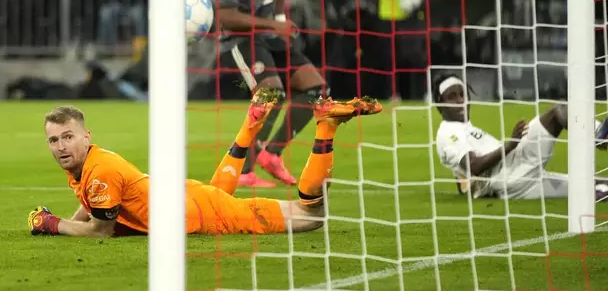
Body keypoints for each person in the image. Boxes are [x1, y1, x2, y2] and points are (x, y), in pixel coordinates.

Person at [27, 89, 382, 237]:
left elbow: (98, 230)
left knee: (312, 217)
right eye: (54, 140)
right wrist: (66, 217)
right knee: (216, 194)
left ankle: (326, 126)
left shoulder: (99, 170)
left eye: (68, 136)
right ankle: (252, 122)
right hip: (188, 195)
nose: (60, 146)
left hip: (201, 213)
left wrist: (50, 223)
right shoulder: (93, 164)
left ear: (86, 136)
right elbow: (88, 202)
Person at [216, 0, 328, 188]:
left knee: (316, 90)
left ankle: (272, 154)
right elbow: (227, 16)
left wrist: (278, 16)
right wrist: (274, 24)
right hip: (240, 40)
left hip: (269, 32)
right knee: (271, 94)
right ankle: (242, 171)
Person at [434, 74, 608, 200]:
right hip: (512, 170)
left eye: (462, 94)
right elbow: (474, 166)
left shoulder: (461, 129)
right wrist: (511, 145)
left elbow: (463, 168)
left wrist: (465, 186)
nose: (460, 100)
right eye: (452, 96)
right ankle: (599, 135)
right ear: (440, 105)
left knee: (591, 186)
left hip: (517, 182)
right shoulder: (448, 133)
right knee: (557, 112)